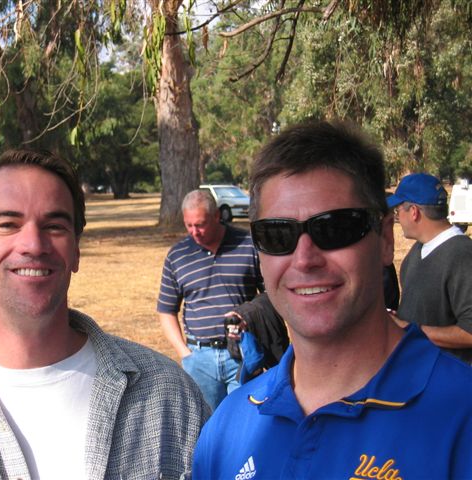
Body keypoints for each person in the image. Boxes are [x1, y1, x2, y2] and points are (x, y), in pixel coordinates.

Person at [0, 149, 210, 479]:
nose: (33, 244)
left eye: (55, 226)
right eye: (7, 224)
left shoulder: (171, 397)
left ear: (76, 250)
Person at [192, 121, 472, 479]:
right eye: (277, 234)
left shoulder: (460, 416)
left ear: (385, 239)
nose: (305, 259)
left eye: (334, 228)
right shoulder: (226, 429)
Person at [157, 189, 263, 410]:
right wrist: (184, 353)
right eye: (189, 225)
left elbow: (272, 296)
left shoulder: (248, 245)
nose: (195, 232)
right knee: (207, 424)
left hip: (243, 352)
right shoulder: (177, 255)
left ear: (217, 216)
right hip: (199, 358)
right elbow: (166, 310)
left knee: (245, 418)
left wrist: (251, 317)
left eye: (201, 224)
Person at [387, 173, 472, 363]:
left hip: (449, 378)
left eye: (398, 210)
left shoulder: (462, 256)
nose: (398, 217)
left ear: (414, 212)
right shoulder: (417, 251)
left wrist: (410, 328)